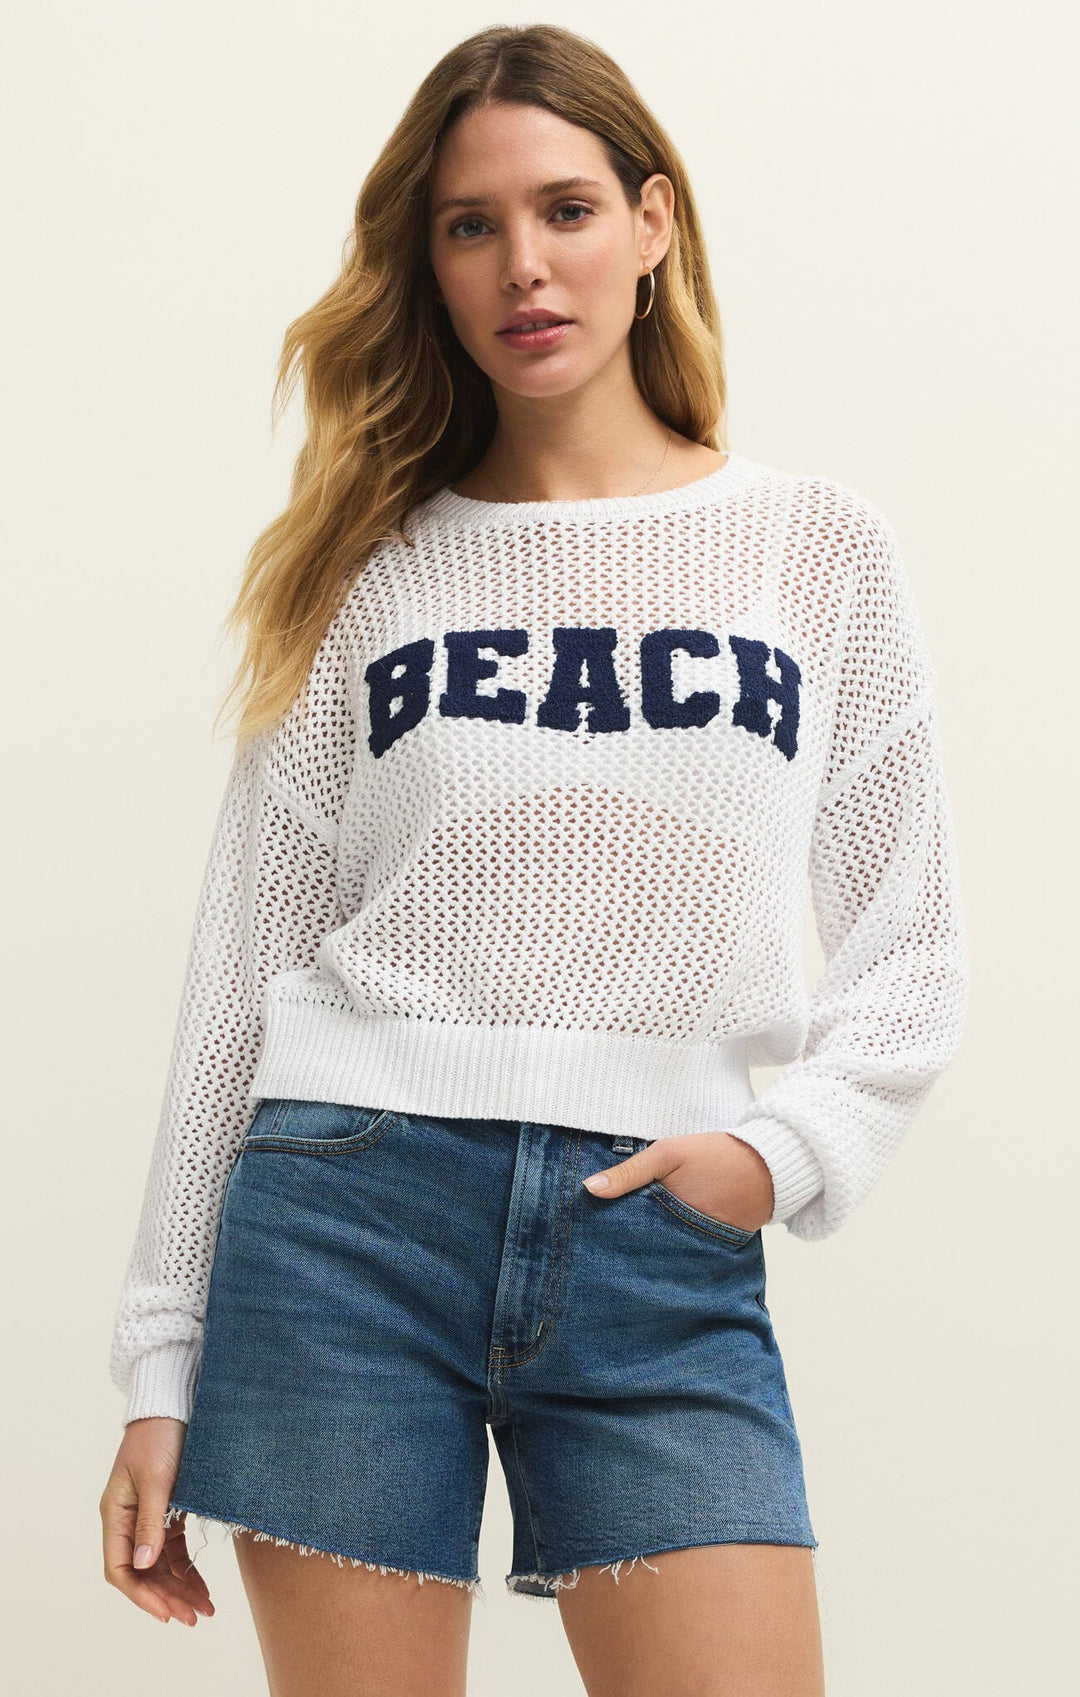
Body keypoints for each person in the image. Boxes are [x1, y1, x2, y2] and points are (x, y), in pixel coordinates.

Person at [99, 22, 969, 1697]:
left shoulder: (818, 551)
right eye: (470, 225)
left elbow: (913, 945)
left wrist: (776, 1155)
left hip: (660, 1245)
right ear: (427, 264)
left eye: (566, 209)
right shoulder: (371, 569)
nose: (524, 264)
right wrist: (159, 1357)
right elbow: (240, 972)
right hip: (345, 1227)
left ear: (652, 222)